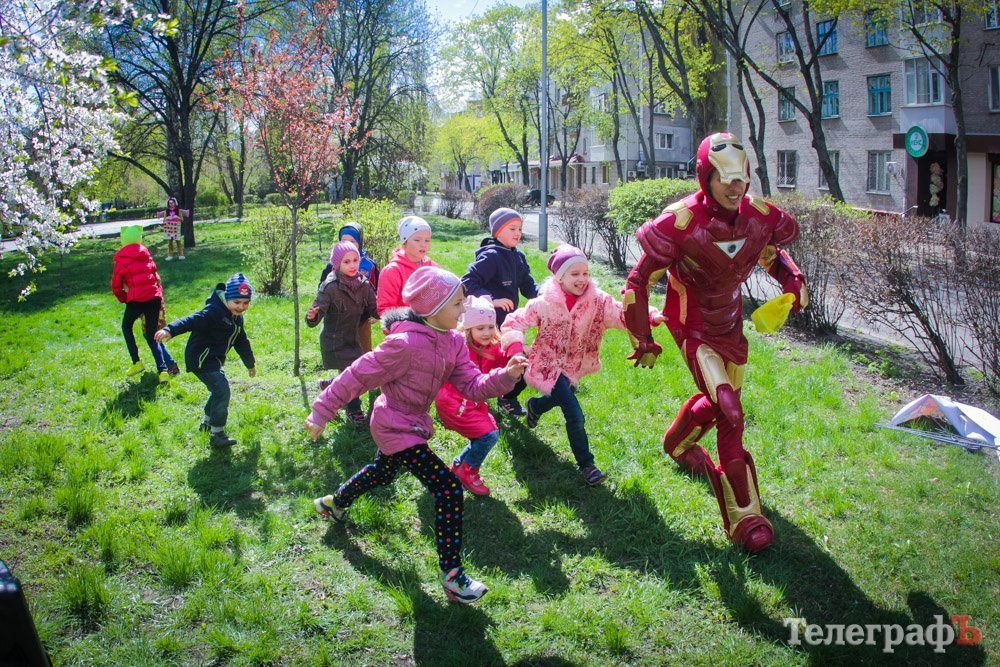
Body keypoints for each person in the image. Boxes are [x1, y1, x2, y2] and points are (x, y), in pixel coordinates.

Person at [622, 132, 807, 553]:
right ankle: (744, 516)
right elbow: (639, 279)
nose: (734, 186)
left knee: (723, 403)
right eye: (725, 178)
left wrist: (793, 282)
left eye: (740, 177)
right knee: (730, 412)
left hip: (731, 326)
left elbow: (770, 253)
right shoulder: (679, 223)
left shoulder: (758, 216)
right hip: (692, 327)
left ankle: (677, 442)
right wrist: (643, 336)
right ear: (706, 176)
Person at [306, 267, 528, 604]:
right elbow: (357, 375)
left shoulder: (453, 341)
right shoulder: (402, 344)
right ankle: (452, 576)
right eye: (457, 303)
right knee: (448, 487)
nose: (464, 309)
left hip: (414, 424)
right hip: (393, 424)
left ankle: (333, 503)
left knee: (383, 471)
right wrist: (322, 411)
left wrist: (506, 376)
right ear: (433, 308)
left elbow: (472, 385)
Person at [501, 245, 662, 486]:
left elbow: (622, 313)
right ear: (560, 277)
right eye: (574, 274)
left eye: (585, 273)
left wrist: (649, 316)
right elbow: (515, 321)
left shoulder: (597, 301)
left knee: (562, 397)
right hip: (548, 363)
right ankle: (587, 466)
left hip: (574, 365)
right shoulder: (544, 303)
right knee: (574, 414)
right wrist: (515, 350)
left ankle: (535, 405)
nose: (582, 279)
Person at [154, 273, 257, 448]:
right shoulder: (214, 312)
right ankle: (217, 434)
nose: (241, 307)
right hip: (201, 359)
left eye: (246, 303)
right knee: (222, 391)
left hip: (213, 360)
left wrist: (250, 364)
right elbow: (191, 321)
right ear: (227, 298)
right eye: (237, 302)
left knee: (217, 391)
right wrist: (170, 329)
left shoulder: (236, 318)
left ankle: (207, 423)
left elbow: (241, 342)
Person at [462, 207, 539, 417]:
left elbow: (528, 285)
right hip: (488, 324)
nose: (518, 233)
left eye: (520, 229)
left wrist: (546, 296)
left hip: (510, 325)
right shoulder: (491, 256)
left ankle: (507, 398)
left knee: (520, 360)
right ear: (497, 232)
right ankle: (473, 395)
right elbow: (467, 283)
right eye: (512, 228)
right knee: (487, 362)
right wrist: (492, 301)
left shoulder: (518, 257)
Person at [434, 294, 509, 496]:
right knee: (489, 435)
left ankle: (460, 466)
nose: (487, 332)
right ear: (468, 329)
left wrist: (516, 353)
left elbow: (502, 361)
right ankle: (469, 471)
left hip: (472, 402)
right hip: (454, 402)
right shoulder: (460, 348)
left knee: (484, 434)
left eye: (490, 327)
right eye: (480, 328)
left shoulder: (491, 346)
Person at [307, 241, 378, 425]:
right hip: (334, 340)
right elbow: (317, 311)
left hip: (352, 338)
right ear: (337, 264)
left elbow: (375, 307)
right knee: (352, 373)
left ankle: (331, 384)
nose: (353, 265)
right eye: (347, 262)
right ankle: (353, 409)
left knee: (356, 372)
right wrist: (313, 316)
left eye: (355, 260)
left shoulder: (364, 284)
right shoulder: (330, 286)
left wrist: (389, 313)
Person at [111, 225, 169, 383]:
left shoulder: (121, 259)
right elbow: (154, 274)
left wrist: (124, 298)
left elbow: (116, 285)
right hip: (153, 298)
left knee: (126, 327)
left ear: (123, 240)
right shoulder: (146, 254)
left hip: (136, 299)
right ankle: (163, 371)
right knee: (152, 335)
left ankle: (136, 362)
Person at [319, 222, 381, 353]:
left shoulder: (368, 265)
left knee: (364, 352)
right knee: (341, 354)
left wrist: (375, 312)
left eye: (353, 241)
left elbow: (377, 289)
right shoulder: (332, 265)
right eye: (344, 241)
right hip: (339, 320)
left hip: (362, 319)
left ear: (360, 242)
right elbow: (322, 290)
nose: (348, 244)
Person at [375, 216, 437, 316]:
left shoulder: (433, 267)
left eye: (427, 240)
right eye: (417, 240)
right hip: (406, 324)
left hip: (432, 323)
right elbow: (385, 309)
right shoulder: (392, 271)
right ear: (405, 243)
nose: (423, 244)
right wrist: (411, 320)